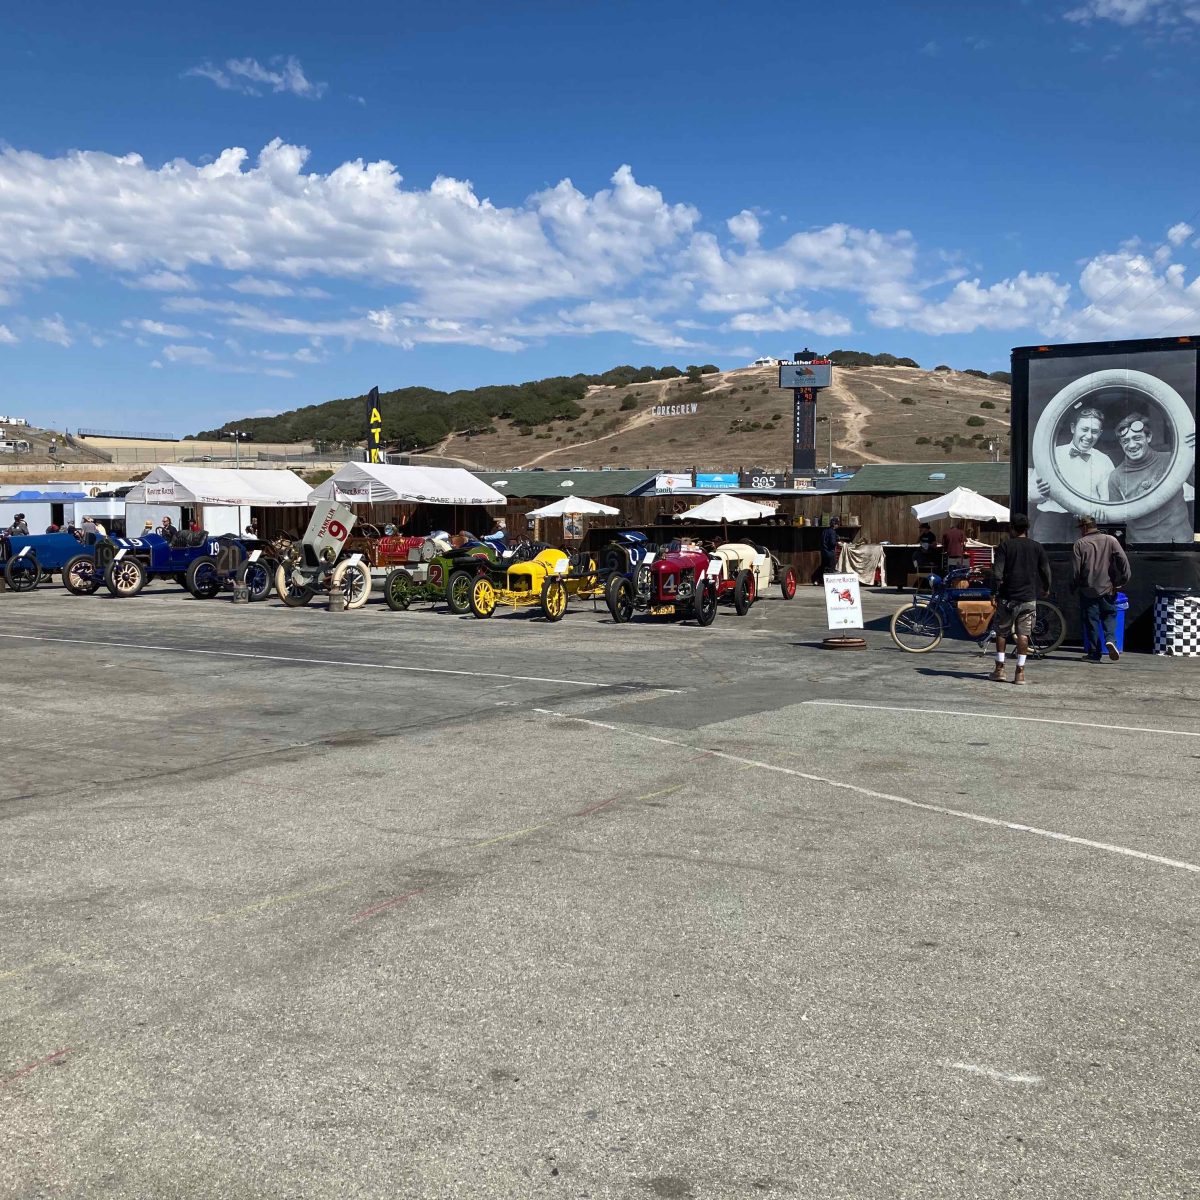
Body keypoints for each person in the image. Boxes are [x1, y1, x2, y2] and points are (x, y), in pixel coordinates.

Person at [1105, 412, 1195, 543]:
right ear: (1120, 443)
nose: (1131, 445)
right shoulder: (1116, 477)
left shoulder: (1172, 459)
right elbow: (1116, 522)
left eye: (1137, 438)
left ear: (1149, 437)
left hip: (1181, 544)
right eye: (1125, 441)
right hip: (1142, 551)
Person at [988, 513, 1051, 686]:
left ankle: (1000, 669)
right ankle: (1020, 672)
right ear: (1027, 529)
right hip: (1029, 598)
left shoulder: (1005, 546)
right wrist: (1046, 588)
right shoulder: (1037, 547)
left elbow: (997, 573)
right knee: (1024, 635)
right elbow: (1045, 570)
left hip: (1008, 598)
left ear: (1013, 528)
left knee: (1001, 632)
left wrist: (994, 591)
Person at [1072, 515, 1131, 662]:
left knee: (1091, 621)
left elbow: (1076, 571)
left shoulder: (1079, 544)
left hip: (1088, 589)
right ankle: (1110, 640)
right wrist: (1123, 579)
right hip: (1108, 587)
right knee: (1109, 615)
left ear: (1085, 528)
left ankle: (1094, 653)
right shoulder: (1111, 540)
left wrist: (1073, 586)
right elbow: (1123, 559)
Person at [1038, 407, 1115, 506]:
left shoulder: (1104, 460)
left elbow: (1106, 499)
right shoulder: (1053, 454)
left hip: (1087, 518)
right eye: (1084, 429)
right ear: (1073, 428)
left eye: (1094, 432)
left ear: (1100, 434)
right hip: (1053, 515)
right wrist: (1041, 494)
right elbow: (1031, 494)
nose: (1089, 436)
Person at [819, 517, 840, 582]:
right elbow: (832, 543)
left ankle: (821, 581)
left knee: (824, 567)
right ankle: (829, 583)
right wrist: (837, 542)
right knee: (831, 569)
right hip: (830, 552)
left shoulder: (825, 531)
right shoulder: (832, 532)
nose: (838, 526)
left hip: (823, 552)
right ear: (835, 525)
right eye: (837, 524)